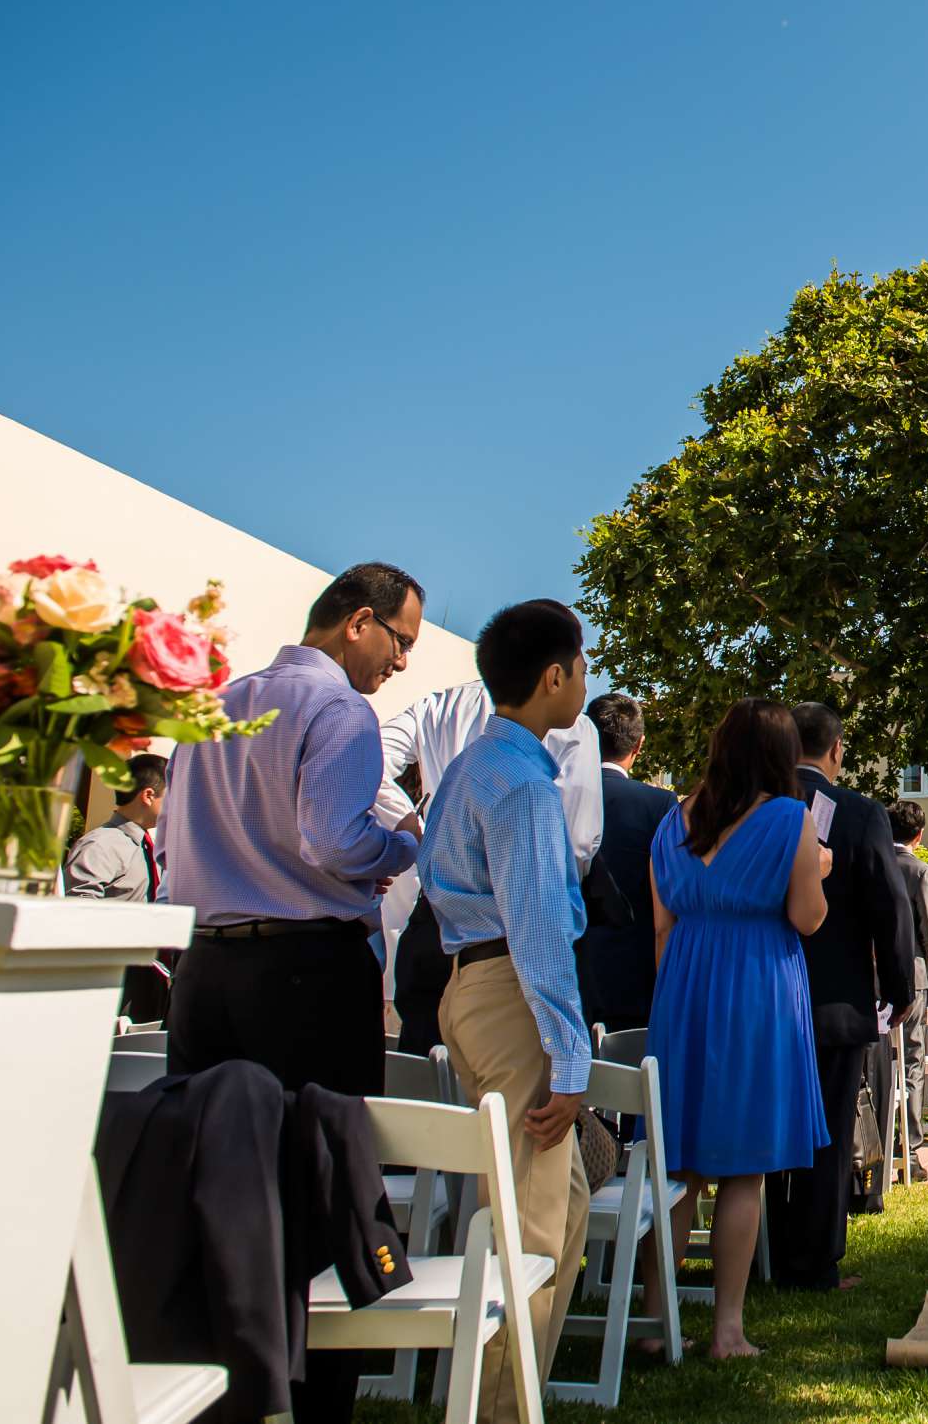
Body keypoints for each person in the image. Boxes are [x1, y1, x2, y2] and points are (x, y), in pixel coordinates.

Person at [163, 564, 421, 1152]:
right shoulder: (340, 708)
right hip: (305, 974)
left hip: (203, 969)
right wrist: (398, 848)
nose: (402, 662)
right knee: (314, 1170)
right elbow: (331, 841)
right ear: (360, 623)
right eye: (401, 642)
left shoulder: (212, 705)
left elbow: (169, 840)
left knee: (201, 1164)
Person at [419, 600, 595, 1422]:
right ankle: (497, 1410)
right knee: (531, 1231)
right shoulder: (523, 785)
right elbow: (536, 931)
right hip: (510, 991)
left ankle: (515, 1395)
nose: (587, 683)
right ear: (554, 676)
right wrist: (569, 1059)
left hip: (474, 986)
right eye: (583, 667)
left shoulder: (471, 764)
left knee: (566, 1210)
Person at [647, 697, 830, 1359]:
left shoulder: (674, 820)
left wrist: (679, 997)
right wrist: (820, 872)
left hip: (684, 990)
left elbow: (662, 927)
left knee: (680, 1168)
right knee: (744, 1172)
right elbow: (808, 918)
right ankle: (726, 1330)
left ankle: (653, 1320)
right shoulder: (790, 818)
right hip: (756, 989)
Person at [767, 703, 913, 1292]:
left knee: (769, 1130)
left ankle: (765, 1250)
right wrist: (900, 989)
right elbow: (889, 905)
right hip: (835, 999)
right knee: (827, 1130)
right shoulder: (859, 813)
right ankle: (817, 1260)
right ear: (836, 750)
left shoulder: (752, 809)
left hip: (764, 996)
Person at [378, 676, 603, 1053]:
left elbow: (373, 757)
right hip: (511, 926)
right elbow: (579, 843)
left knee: (424, 1065)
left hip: (435, 915)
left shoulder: (440, 704)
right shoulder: (570, 725)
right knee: (506, 1084)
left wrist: (416, 826)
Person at [578, 692, 676, 1031]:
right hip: (634, 974)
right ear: (639, 744)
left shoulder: (553, 794)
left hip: (565, 969)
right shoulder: (660, 805)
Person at [67, 751, 173, 1020]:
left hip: (147, 977)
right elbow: (77, 908)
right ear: (148, 796)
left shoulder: (153, 846)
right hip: (109, 975)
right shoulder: (101, 844)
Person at [886, 800, 928, 1182]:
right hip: (913, 974)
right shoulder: (919, 870)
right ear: (919, 835)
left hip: (870, 976)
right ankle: (912, 1148)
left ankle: (876, 1140)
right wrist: (924, 962)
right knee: (912, 1058)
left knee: (877, 1060)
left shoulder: (867, 863)